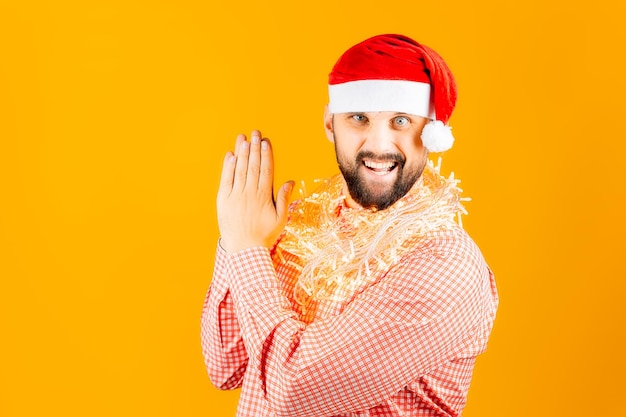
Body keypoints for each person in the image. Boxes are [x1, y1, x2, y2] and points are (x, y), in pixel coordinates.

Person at [201, 34, 498, 417]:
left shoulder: (445, 264)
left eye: (401, 121)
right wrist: (240, 242)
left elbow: (292, 390)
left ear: (429, 132)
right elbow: (226, 365)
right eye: (359, 118)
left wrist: (245, 247)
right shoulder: (302, 221)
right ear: (330, 124)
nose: (379, 144)